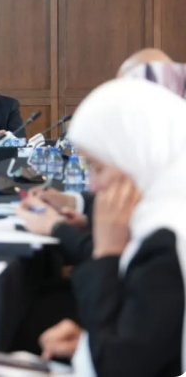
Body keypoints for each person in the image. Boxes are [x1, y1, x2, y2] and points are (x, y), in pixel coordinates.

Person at [33, 78, 186, 377]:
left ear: (138, 157)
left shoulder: (167, 238)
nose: (92, 185)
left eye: (97, 168)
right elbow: (152, 343)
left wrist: (106, 253)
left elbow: (119, 369)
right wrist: (88, 344)